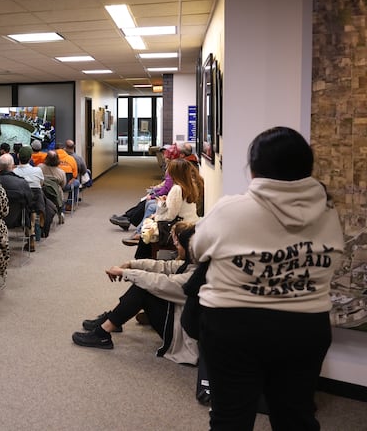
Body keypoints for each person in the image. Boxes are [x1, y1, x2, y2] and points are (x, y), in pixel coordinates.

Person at [193, 127, 344, 430]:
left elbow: (198, 251)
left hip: (233, 326)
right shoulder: (329, 212)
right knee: (296, 417)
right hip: (305, 328)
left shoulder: (230, 210)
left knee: (230, 419)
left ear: (254, 169)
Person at [72, 221, 199, 364]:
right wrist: (132, 264)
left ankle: (103, 332)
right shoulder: (196, 265)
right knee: (144, 284)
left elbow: (159, 282)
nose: (176, 245)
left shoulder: (195, 277)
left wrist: (125, 272)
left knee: (143, 287)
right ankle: (113, 319)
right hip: (179, 317)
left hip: (184, 337)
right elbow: (165, 266)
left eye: (179, 243)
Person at [132, 158, 202, 259]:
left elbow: (169, 216)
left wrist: (159, 208)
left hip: (180, 226)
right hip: (190, 223)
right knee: (151, 221)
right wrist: (166, 202)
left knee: (148, 227)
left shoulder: (176, 189)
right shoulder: (190, 185)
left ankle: (141, 258)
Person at [0, 153, 36, 251]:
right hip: (18, 219)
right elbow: (30, 201)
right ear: (12, 165)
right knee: (30, 209)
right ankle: (31, 237)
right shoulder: (21, 182)